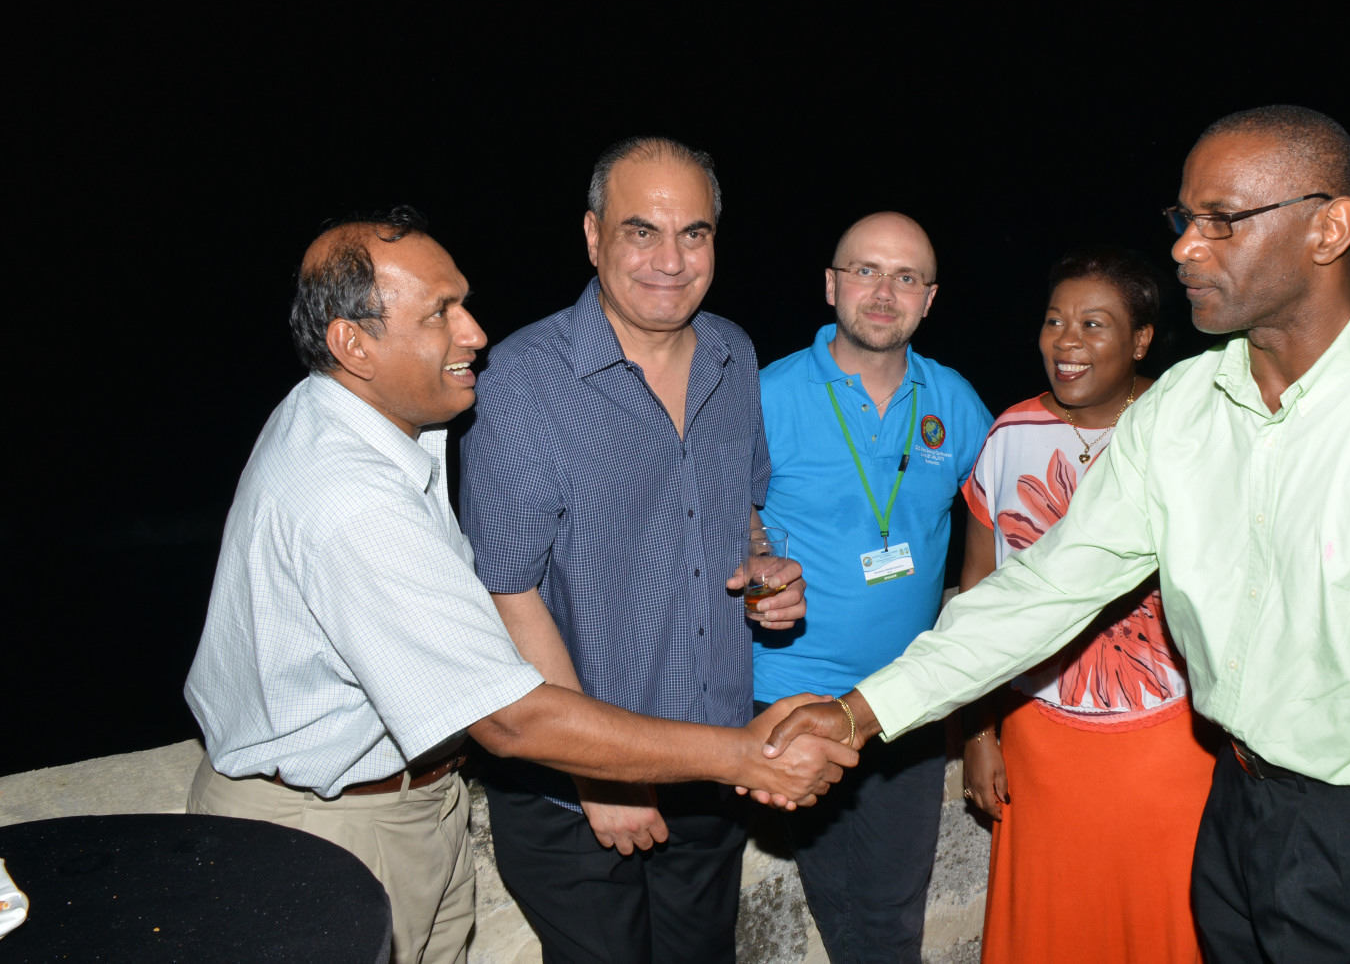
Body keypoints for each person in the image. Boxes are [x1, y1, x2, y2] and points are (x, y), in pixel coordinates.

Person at [765, 106, 1350, 963]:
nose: (1185, 248)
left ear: (1330, 228)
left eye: (1222, 220)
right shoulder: (1182, 411)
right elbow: (1046, 588)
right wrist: (860, 711)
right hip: (1231, 816)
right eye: (1184, 218)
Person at [184, 206, 854, 964]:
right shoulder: (353, 498)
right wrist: (745, 755)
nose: (475, 333)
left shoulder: (349, 418)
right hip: (327, 834)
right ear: (353, 344)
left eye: (463, 303)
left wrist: (754, 553)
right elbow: (510, 719)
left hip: (405, 807)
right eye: (439, 313)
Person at [459, 138, 802, 964]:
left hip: (709, 764)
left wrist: (761, 563)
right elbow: (506, 594)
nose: (671, 260)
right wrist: (599, 774)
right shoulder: (520, 380)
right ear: (593, 236)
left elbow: (739, 507)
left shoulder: (734, 354)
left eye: (694, 233)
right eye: (641, 231)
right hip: (574, 796)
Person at [958, 246, 1216, 962]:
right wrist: (978, 735)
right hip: (1040, 743)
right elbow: (978, 596)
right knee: (1051, 924)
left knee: (1167, 923)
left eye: (1093, 324)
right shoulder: (1010, 436)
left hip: (1173, 740)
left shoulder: (1185, 426)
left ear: (1140, 339)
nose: (1066, 341)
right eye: (1054, 321)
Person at [752, 212, 990, 961]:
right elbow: (716, 519)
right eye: (866, 271)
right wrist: (754, 569)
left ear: (930, 298)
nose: (885, 292)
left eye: (906, 277)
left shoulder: (953, 401)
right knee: (844, 906)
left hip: (907, 698)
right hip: (792, 694)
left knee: (890, 914)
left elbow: (1005, 520)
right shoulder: (765, 395)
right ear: (831, 285)